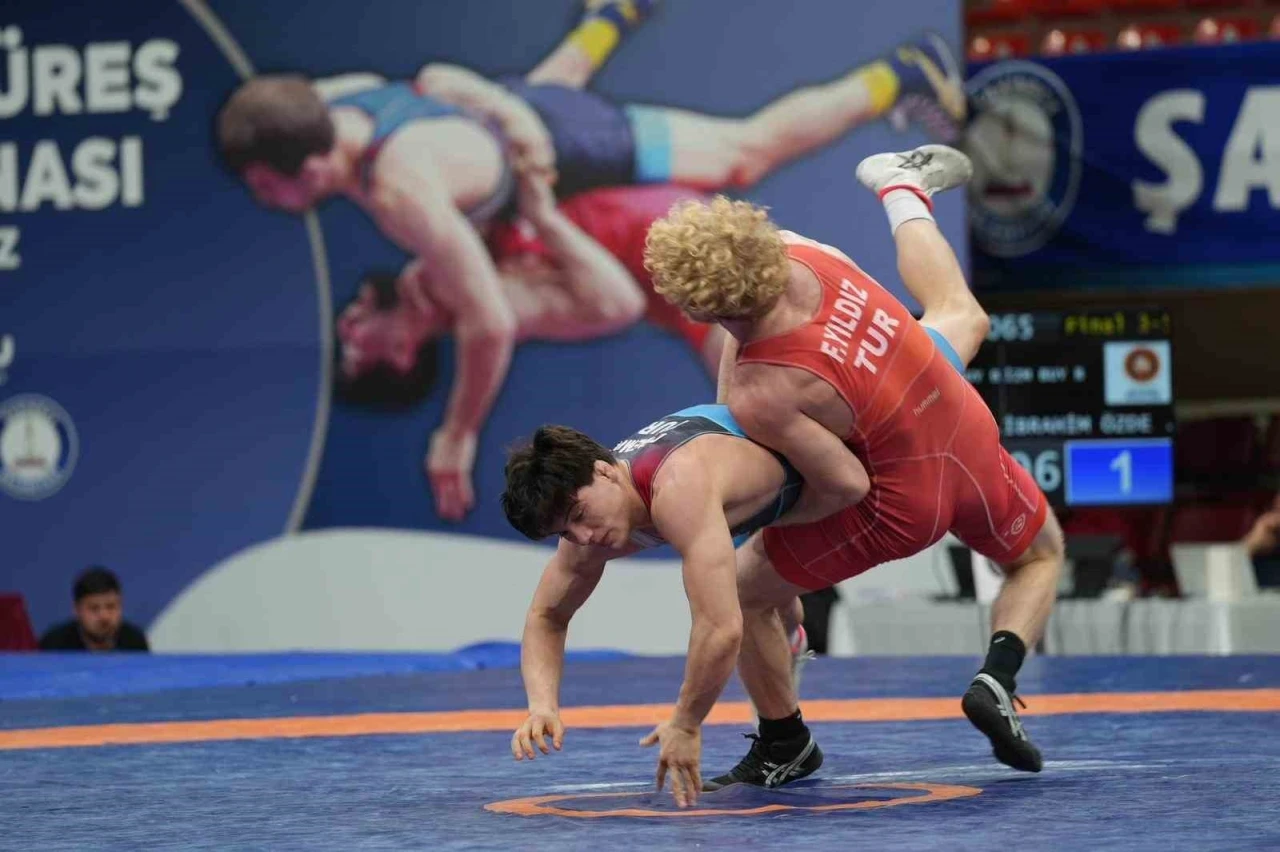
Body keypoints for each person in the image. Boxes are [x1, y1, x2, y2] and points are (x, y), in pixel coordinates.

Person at [215, 10, 966, 520]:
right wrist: (492, 107)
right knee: (543, 108)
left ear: (307, 167)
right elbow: (438, 83)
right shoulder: (331, 103)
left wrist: (457, 435)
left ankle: (902, 72)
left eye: (264, 187)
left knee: (744, 153)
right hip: (537, 133)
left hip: (575, 148)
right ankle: (608, 19)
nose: (266, 202)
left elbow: (490, 322)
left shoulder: (399, 195)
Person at [643, 144, 1064, 790]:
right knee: (1038, 550)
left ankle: (785, 743)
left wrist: (770, 536)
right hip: (960, 418)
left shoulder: (762, 391)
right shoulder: (802, 252)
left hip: (907, 499)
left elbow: (845, 485)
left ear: (702, 309)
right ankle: (997, 677)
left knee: (745, 592)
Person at [335, 176, 725, 517]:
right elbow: (620, 305)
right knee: (747, 404)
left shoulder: (428, 242)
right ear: (401, 356)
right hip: (667, 248)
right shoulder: (493, 307)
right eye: (350, 351)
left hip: (653, 212)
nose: (344, 324)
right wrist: (543, 218)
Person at [501, 406, 819, 809]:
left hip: (815, 480)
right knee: (758, 597)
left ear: (604, 471)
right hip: (747, 500)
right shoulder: (595, 519)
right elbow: (547, 616)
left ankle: (786, 739)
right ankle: (788, 647)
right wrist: (541, 706)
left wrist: (685, 724)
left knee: (741, 600)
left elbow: (721, 629)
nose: (583, 536)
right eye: (564, 532)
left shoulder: (677, 487)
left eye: (580, 515)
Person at [38, 567, 150, 652]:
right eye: (94, 608)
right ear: (76, 610)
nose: (104, 616)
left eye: (111, 607)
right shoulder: (55, 645)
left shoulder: (134, 642)